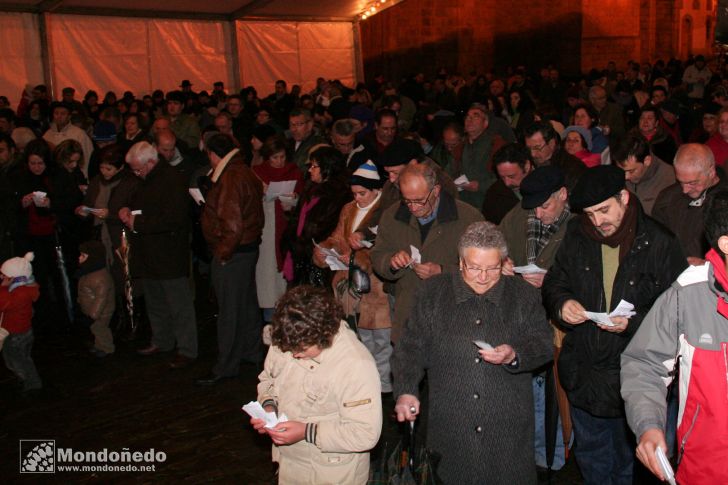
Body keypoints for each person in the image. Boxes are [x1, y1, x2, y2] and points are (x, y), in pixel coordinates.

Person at [542, 165, 686, 485]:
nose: (598, 221)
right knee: (592, 461)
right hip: (584, 373)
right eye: (590, 214)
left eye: (604, 210)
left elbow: (677, 314)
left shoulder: (659, 242)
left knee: (625, 466)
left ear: (624, 197)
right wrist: (563, 305)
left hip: (631, 380)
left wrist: (633, 325)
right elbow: (555, 282)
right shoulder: (579, 233)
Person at [392, 221, 553, 484]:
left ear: (504, 262)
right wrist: (406, 389)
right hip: (450, 425)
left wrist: (514, 354)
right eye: (474, 267)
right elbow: (411, 347)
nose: (483, 276)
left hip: (507, 430)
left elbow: (543, 345)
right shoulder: (433, 293)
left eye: (492, 268)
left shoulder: (523, 295)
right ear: (460, 261)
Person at [621, 190, 728, 484]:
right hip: (707, 469)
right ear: (726, 244)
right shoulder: (688, 294)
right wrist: (648, 425)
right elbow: (645, 364)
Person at [252, 286, 382, 485]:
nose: (294, 354)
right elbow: (268, 379)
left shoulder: (355, 364)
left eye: (302, 350)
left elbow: (365, 434)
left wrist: (306, 431)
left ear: (325, 336)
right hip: (289, 466)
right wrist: (268, 408)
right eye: (289, 348)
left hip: (331, 473)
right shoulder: (289, 334)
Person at [370, 163, 483, 342]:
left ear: (436, 190)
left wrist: (443, 272)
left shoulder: (468, 218)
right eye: (407, 201)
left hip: (454, 319)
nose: (413, 208)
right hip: (408, 315)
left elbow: (485, 270)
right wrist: (391, 262)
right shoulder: (392, 216)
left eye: (420, 200)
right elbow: (378, 255)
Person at [313, 161, 392, 392]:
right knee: (357, 336)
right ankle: (363, 383)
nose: (358, 198)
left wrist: (360, 257)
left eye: (363, 193)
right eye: (355, 193)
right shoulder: (349, 209)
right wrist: (325, 248)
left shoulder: (384, 213)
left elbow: (383, 246)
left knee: (381, 338)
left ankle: (383, 385)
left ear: (376, 190)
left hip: (375, 286)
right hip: (349, 284)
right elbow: (338, 236)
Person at [120, 141, 198, 369]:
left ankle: (187, 349)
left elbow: (174, 218)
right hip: (149, 253)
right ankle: (162, 340)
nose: (136, 174)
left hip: (169, 254)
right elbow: (139, 204)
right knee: (156, 302)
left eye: (138, 169)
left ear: (151, 162)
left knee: (179, 304)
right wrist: (127, 209)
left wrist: (138, 221)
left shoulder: (172, 180)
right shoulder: (145, 179)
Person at [197, 134, 265, 384]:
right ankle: (251, 352)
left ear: (214, 154)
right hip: (246, 250)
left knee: (229, 311)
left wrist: (223, 253)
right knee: (245, 304)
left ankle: (225, 366)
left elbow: (232, 224)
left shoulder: (230, 177)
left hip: (234, 252)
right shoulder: (243, 171)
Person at [282, 146, 351, 287]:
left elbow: (326, 228)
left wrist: (304, 244)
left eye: (314, 166)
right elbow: (300, 219)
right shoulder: (311, 189)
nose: (309, 170)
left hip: (319, 257)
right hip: (301, 254)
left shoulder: (339, 195)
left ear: (328, 168)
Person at [253, 136, 304, 324]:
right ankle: (269, 320)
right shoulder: (258, 173)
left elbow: (301, 201)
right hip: (265, 230)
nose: (279, 162)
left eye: (282, 157)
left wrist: (293, 199)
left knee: (283, 276)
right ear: (267, 158)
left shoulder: (294, 172)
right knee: (266, 278)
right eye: (274, 158)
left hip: (285, 229)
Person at [652, 143, 728, 264]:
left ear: (711, 172)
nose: (684, 190)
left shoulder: (724, 203)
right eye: (680, 182)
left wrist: (707, 265)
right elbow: (656, 241)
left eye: (692, 183)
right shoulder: (667, 198)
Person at [0, 252, 42, 392]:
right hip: (24, 331)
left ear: (14, 278)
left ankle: (31, 383)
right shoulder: (25, 288)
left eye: (5, 276)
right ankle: (27, 379)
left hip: (16, 333)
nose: (2, 277)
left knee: (16, 359)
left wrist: (4, 288)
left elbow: (3, 304)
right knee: (22, 358)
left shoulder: (19, 293)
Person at [610, 134, 675, 216]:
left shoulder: (669, 178)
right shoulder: (619, 174)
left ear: (647, 161)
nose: (626, 177)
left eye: (631, 171)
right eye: (621, 171)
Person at [77, 240, 115, 358]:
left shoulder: (100, 277)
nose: (79, 258)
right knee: (96, 329)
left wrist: (93, 315)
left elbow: (101, 299)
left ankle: (107, 348)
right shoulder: (89, 272)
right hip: (92, 311)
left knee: (100, 329)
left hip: (100, 313)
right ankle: (99, 346)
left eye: (83, 255)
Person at [482, 142, 534, 224]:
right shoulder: (494, 194)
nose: (507, 183)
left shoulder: (547, 183)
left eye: (512, 176)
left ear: (527, 166)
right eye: (502, 177)